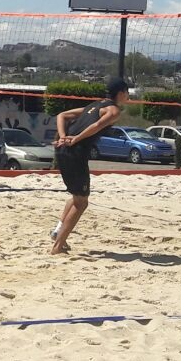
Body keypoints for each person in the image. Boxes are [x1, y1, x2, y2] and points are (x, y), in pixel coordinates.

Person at [50, 77, 130, 255]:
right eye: (127, 93)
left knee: (76, 196)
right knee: (81, 202)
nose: (129, 96)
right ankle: (58, 247)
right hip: (75, 152)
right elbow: (97, 125)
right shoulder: (114, 110)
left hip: (63, 150)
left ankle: (57, 232)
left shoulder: (93, 106)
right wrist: (76, 139)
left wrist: (63, 137)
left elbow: (61, 115)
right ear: (121, 93)